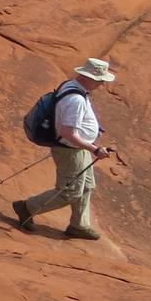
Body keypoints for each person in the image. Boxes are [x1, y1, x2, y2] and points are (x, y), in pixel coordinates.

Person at [13, 58, 117, 240]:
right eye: (100, 80)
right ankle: (27, 207)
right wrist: (94, 149)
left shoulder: (71, 86)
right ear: (89, 78)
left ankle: (79, 225)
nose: (101, 84)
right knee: (70, 191)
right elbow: (68, 133)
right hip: (70, 150)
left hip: (77, 148)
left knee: (87, 185)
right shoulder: (75, 99)